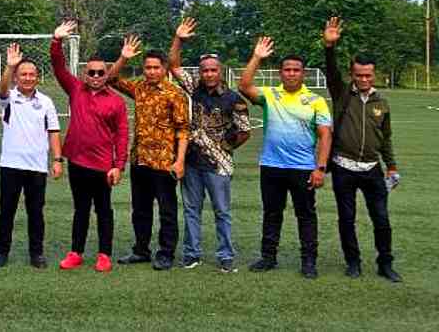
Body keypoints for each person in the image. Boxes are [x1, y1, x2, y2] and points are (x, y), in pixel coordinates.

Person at [238, 37, 332, 279]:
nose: (291, 74)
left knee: (306, 215)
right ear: (280, 73)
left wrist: (320, 168)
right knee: (272, 213)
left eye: (296, 70)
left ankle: (309, 261)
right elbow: (244, 86)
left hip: (303, 168)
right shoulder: (270, 95)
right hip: (272, 166)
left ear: (303, 74)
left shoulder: (316, 101)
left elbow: (325, 135)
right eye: (287, 70)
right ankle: (268, 257)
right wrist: (257, 57)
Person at [168, 18, 251, 273]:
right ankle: (191, 254)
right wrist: (178, 39)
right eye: (205, 70)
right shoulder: (194, 88)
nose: (209, 74)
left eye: (213, 70)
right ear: (200, 72)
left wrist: (224, 147)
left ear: (220, 71)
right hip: (192, 163)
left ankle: (225, 255)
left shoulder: (233, 98)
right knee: (191, 210)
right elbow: (173, 65)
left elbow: (244, 131)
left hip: (219, 165)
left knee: (222, 212)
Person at [323, 17, 401, 282]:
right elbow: (331, 71)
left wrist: (391, 167)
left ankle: (385, 263)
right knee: (347, 218)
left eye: (368, 75)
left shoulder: (382, 103)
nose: (364, 79)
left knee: (381, 219)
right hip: (343, 167)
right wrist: (329, 47)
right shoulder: (342, 93)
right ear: (352, 74)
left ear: (374, 74)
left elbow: (385, 138)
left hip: (372, 169)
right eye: (359, 75)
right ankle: (353, 262)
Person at [50, 21, 128, 273]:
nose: (95, 76)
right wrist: (56, 40)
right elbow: (58, 67)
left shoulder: (116, 101)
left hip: (103, 165)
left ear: (107, 75)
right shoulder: (75, 89)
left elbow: (122, 135)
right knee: (81, 209)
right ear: (85, 74)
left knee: (104, 210)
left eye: (100, 73)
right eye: (91, 72)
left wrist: (118, 166)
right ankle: (76, 252)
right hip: (77, 162)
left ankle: (104, 254)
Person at [109, 35, 190, 271]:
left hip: (165, 162)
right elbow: (111, 78)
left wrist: (180, 161)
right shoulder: (139, 88)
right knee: (140, 210)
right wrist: (123, 58)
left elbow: (183, 130)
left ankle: (166, 253)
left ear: (164, 69)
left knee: (167, 211)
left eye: (156, 67)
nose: (152, 72)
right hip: (140, 160)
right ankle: (141, 250)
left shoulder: (175, 94)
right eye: (148, 67)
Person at [0, 42, 64, 269]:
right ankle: (2, 252)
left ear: (37, 78)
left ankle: (36, 253)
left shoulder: (46, 102)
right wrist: (10, 66)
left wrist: (57, 159)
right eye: (23, 74)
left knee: (36, 213)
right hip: (10, 165)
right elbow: (1, 90)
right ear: (16, 77)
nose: (28, 78)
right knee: (6, 212)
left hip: (37, 167)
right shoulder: (9, 98)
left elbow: (53, 131)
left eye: (32, 74)